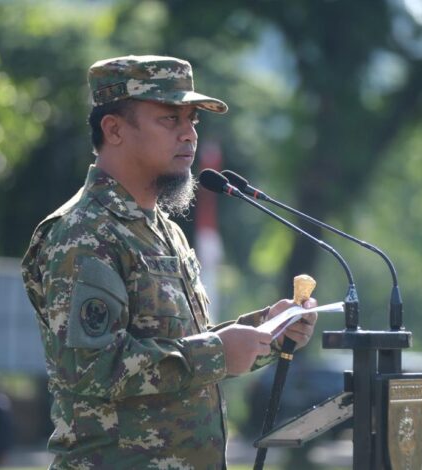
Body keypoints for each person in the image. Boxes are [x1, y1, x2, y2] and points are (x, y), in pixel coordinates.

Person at [21, 55, 317, 469]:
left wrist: (268, 329)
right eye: (169, 118)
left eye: (192, 119)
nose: (189, 133)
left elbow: (178, 349)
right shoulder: (83, 232)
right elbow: (91, 367)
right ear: (114, 129)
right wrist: (216, 353)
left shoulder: (164, 230)